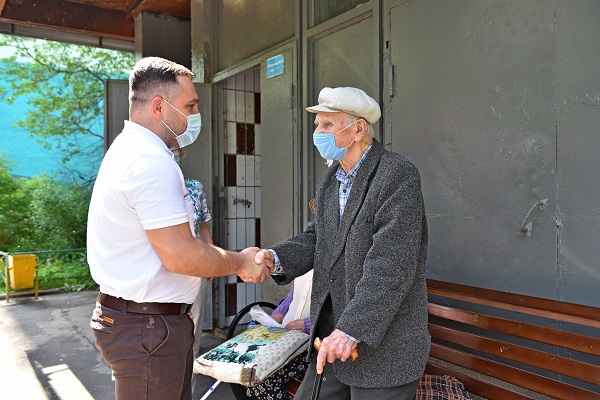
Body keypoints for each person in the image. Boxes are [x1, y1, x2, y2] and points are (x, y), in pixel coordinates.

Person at [87, 56, 271, 400]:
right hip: (147, 331)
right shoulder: (148, 161)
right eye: (190, 105)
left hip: (148, 327)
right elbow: (181, 254)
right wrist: (242, 262)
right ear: (159, 106)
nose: (195, 115)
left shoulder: (136, 151)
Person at [255, 87, 430, 400]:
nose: (318, 133)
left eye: (327, 125)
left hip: (381, 347)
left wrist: (352, 329)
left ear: (358, 129)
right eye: (317, 125)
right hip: (333, 340)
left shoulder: (396, 174)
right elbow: (319, 238)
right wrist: (274, 257)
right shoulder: (331, 180)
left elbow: (391, 265)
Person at [173, 148, 214, 395]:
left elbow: (203, 227)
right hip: (168, 272)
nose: (173, 155)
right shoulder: (155, 184)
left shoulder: (194, 188)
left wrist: (211, 257)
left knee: (192, 337)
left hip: (196, 270)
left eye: (177, 151)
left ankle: (186, 392)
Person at [246, 270, 313, 400]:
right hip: (285, 338)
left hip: (310, 346)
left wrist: (307, 324)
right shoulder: (304, 259)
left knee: (261, 382)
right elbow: (292, 297)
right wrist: (279, 314)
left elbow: (339, 311)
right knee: (245, 367)